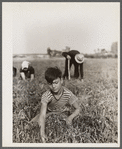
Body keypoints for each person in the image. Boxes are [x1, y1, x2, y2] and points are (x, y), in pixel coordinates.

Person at [37, 67, 81, 143]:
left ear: (61, 80)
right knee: (33, 124)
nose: (53, 86)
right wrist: (42, 133)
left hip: (63, 114)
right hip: (49, 114)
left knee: (70, 131)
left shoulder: (68, 93)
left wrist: (70, 117)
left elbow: (78, 109)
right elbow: (43, 115)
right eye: (50, 84)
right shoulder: (46, 95)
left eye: (56, 83)